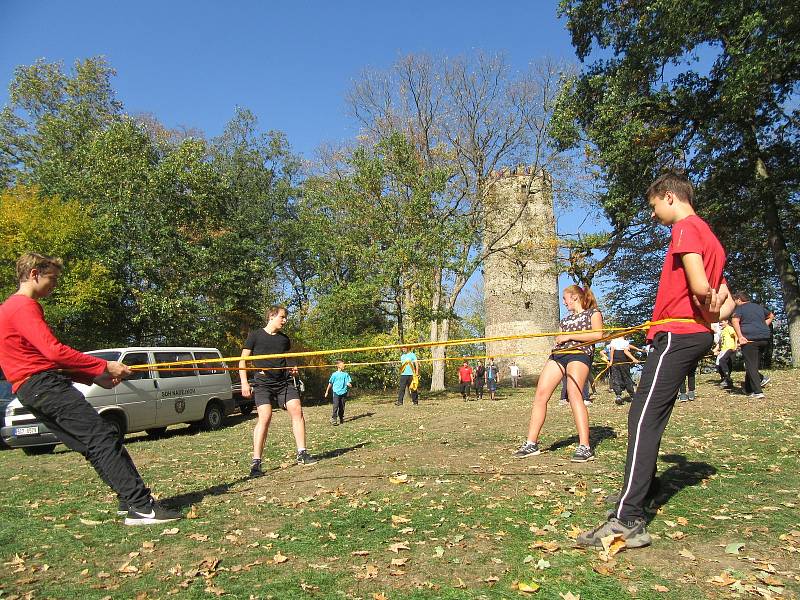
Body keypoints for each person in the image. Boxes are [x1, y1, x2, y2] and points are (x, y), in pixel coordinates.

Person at [577, 172, 734, 549]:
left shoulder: (685, 228)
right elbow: (724, 299)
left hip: (676, 336)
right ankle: (649, 486)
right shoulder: (712, 237)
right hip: (691, 334)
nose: (652, 215)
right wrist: (710, 310)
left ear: (669, 197)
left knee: (642, 416)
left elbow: (701, 286)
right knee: (650, 414)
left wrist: (702, 296)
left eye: (653, 207)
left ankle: (628, 518)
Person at [0, 253, 181, 525]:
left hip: (30, 389)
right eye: (53, 278)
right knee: (102, 438)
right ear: (35, 273)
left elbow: (40, 358)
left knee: (92, 443)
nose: (55, 285)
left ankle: (128, 500)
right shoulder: (24, 306)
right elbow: (54, 351)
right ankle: (142, 507)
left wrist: (93, 376)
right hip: (44, 385)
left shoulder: (7, 309)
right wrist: (104, 366)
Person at [514, 284, 604, 463]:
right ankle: (531, 443)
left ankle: (585, 446)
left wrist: (570, 337)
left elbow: (598, 335)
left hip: (580, 354)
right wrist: (559, 341)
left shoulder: (593, 313)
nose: (564, 303)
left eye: (565, 298)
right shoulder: (565, 321)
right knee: (540, 394)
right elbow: (561, 338)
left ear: (575, 297)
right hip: (559, 355)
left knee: (574, 394)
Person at [240, 305, 316, 478]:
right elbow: (242, 361)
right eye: (282, 317)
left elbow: (287, 360)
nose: (285, 320)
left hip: (283, 382)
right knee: (265, 417)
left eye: (285, 317)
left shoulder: (284, 339)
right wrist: (245, 383)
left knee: (297, 409)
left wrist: (293, 368)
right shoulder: (255, 336)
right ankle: (256, 462)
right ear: (272, 316)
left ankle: (302, 453)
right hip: (263, 383)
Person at [731, 292, 774, 399]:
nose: (735, 303)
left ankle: (758, 391)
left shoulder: (740, 308)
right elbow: (771, 315)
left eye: (735, 301)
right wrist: (764, 325)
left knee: (750, 365)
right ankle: (748, 388)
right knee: (752, 364)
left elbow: (735, 320)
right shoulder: (758, 307)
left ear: (739, 300)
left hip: (750, 339)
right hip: (763, 338)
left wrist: (740, 336)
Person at [608, 336, 640, 405]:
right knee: (626, 377)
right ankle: (632, 395)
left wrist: (611, 361)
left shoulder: (613, 341)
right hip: (623, 361)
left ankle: (618, 395)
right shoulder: (625, 342)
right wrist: (634, 359)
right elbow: (626, 351)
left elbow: (612, 351)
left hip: (615, 362)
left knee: (616, 378)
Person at [324, 359, 352, 425]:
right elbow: (330, 383)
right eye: (342, 364)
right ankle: (334, 419)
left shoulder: (346, 374)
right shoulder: (334, 375)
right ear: (338, 365)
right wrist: (327, 391)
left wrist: (349, 384)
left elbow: (348, 382)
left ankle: (341, 418)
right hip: (336, 392)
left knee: (342, 407)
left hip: (343, 392)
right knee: (335, 406)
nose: (344, 365)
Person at [715, 318, 737, 389]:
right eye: (719, 323)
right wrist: (716, 350)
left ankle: (727, 379)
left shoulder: (729, 328)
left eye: (721, 322)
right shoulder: (722, 331)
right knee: (718, 365)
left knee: (722, 361)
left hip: (729, 348)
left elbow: (735, 336)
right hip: (723, 349)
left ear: (727, 321)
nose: (720, 324)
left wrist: (735, 346)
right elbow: (720, 342)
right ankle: (725, 379)